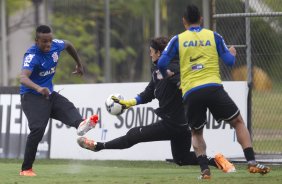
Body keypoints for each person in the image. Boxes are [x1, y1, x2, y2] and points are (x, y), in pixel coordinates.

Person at [77, 36, 235, 173]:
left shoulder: (172, 68)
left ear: (159, 53)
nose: (149, 54)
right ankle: (217, 161)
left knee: (134, 135)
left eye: (151, 52)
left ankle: (99, 146)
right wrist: (128, 103)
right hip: (181, 126)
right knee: (181, 158)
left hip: (175, 123)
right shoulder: (157, 71)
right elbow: (148, 94)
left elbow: (186, 85)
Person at [157, 4, 270, 179]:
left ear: (184, 21)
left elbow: (162, 63)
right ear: (201, 19)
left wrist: (166, 74)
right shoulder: (213, 36)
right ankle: (252, 163)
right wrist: (232, 53)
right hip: (213, 88)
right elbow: (229, 62)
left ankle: (205, 171)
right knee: (238, 122)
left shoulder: (177, 39)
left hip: (191, 91)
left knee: (196, 132)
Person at [19, 25, 99, 176]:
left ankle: (81, 125)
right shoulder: (32, 55)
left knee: (67, 106)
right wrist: (38, 88)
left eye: (49, 40)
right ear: (37, 41)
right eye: (44, 41)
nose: (48, 44)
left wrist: (79, 64)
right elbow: (23, 78)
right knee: (38, 129)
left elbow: (69, 44)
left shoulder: (56, 45)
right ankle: (26, 169)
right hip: (31, 96)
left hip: (48, 93)